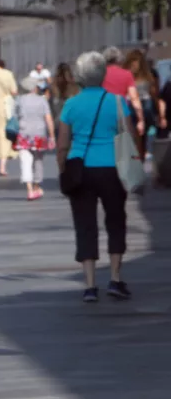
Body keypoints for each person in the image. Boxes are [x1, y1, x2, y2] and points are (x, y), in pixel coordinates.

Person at [57, 51, 143, 303]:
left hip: (80, 168)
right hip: (112, 168)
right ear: (103, 74)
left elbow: (62, 144)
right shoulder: (117, 102)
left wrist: (63, 169)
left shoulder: (71, 104)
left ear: (80, 76)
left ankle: (90, 285)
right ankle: (115, 278)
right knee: (116, 220)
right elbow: (129, 134)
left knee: (85, 224)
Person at [14, 77, 56, 201]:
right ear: (35, 88)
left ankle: (29, 189)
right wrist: (52, 136)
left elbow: (14, 117)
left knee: (25, 161)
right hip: (39, 134)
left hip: (24, 134)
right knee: (38, 161)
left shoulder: (19, 100)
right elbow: (48, 119)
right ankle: (37, 186)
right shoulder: (42, 101)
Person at [102, 46, 145, 137]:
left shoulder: (100, 75)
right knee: (124, 140)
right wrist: (141, 120)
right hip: (122, 112)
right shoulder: (127, 74)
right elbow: (134, 98)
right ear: (119, 60)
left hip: (103, 112)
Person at [124, 49, 160, 146]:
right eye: (132, 65)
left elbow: (153, 93)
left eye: (136, 65)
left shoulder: (147, 76)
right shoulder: (127, 77)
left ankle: (150, 128)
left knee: (148, 109)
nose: (134, 67)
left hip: (144, 101)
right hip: (132, 102)